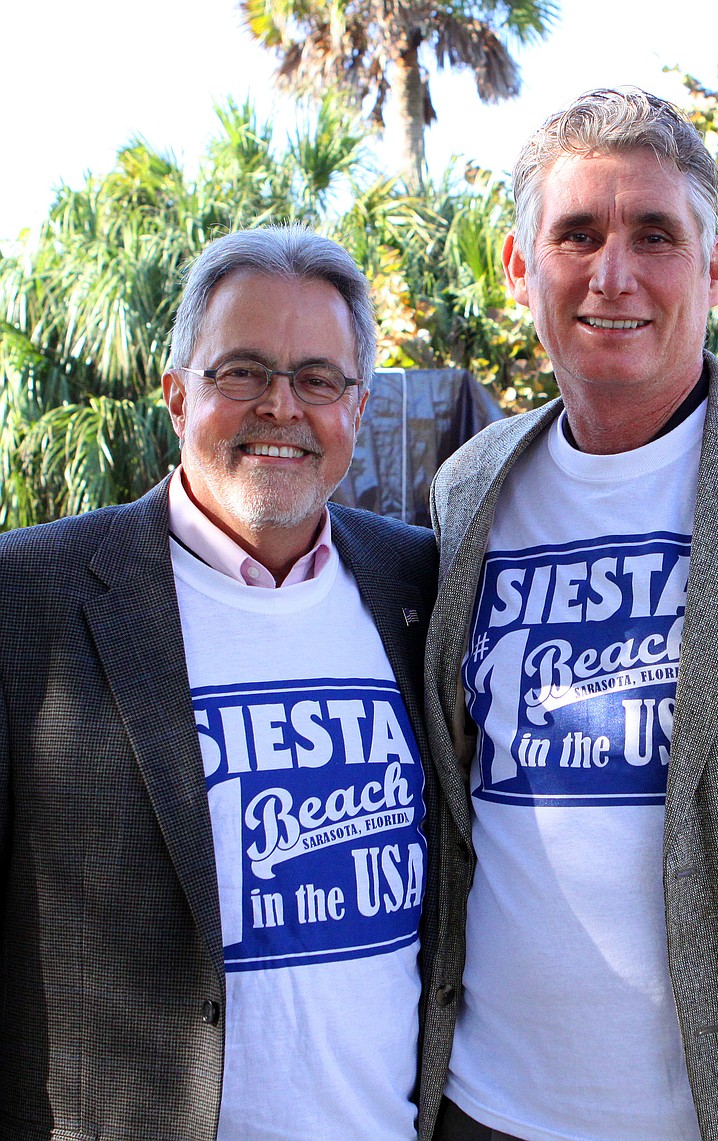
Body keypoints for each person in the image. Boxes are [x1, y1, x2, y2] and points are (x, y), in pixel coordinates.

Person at [418, 87, 718, 1141]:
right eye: (577, 234)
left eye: (653, 234)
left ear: (711, 270)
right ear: (522, 269)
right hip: (488, 1106)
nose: (613, 273)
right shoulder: (469, 486)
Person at [0, 225, 437, 1140]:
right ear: (175, 395)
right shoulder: (28, 595)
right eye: (240, 371)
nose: (281, 406)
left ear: (355, 408)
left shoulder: (419, 586)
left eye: (318, 379)